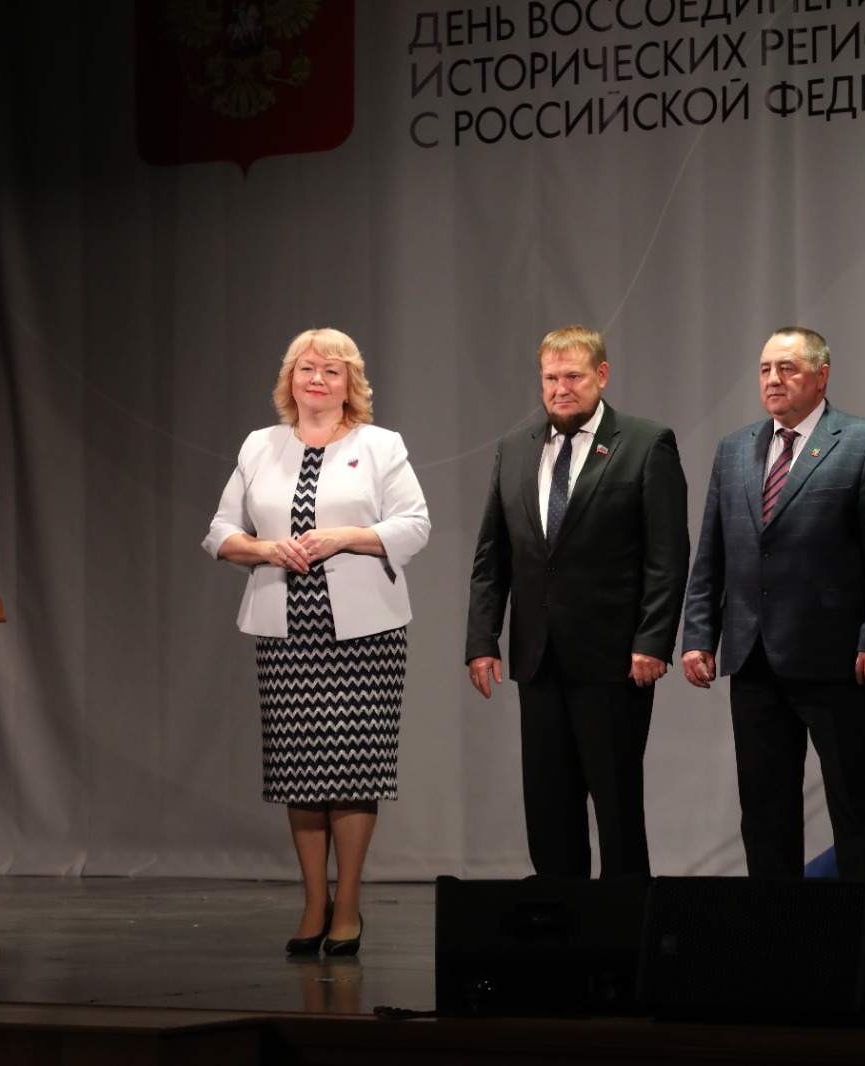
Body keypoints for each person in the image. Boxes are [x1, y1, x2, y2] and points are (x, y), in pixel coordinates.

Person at [204, 327, 430, 957]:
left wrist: (343, 537)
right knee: (299, 771)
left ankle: (348, 904)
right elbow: (220, 531)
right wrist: (265, 549)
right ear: (290, 379)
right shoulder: (260, 445)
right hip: (287, 630)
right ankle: (313, 903)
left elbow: (415, 525)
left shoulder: (380, 445)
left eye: (333, 371)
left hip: (365, 634)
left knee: (353, 768)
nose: (318, 380)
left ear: (350, 383)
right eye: (307, 369)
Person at [680, 328, 865, 880]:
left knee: (856, 804)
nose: (773, 379)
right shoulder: (734, 449)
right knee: (765, 810)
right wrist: (698, 636)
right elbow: (711, 551)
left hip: (838, 658)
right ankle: (777, 923)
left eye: (787, 368)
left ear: (821, 375)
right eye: (765, 369)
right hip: (753, 657)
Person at [465, 325, 689, 879]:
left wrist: (653, 639)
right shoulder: (514, 446)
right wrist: (482, 640)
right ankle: (562, 917)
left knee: (616, 807)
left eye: (573, 376)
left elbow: (667, 556)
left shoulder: (646, 442)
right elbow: (493, 555)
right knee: (548, 808)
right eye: (550, 378)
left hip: (615, 661)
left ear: (601, 375)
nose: (560, 389)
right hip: (538, 660)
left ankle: (624, 921)